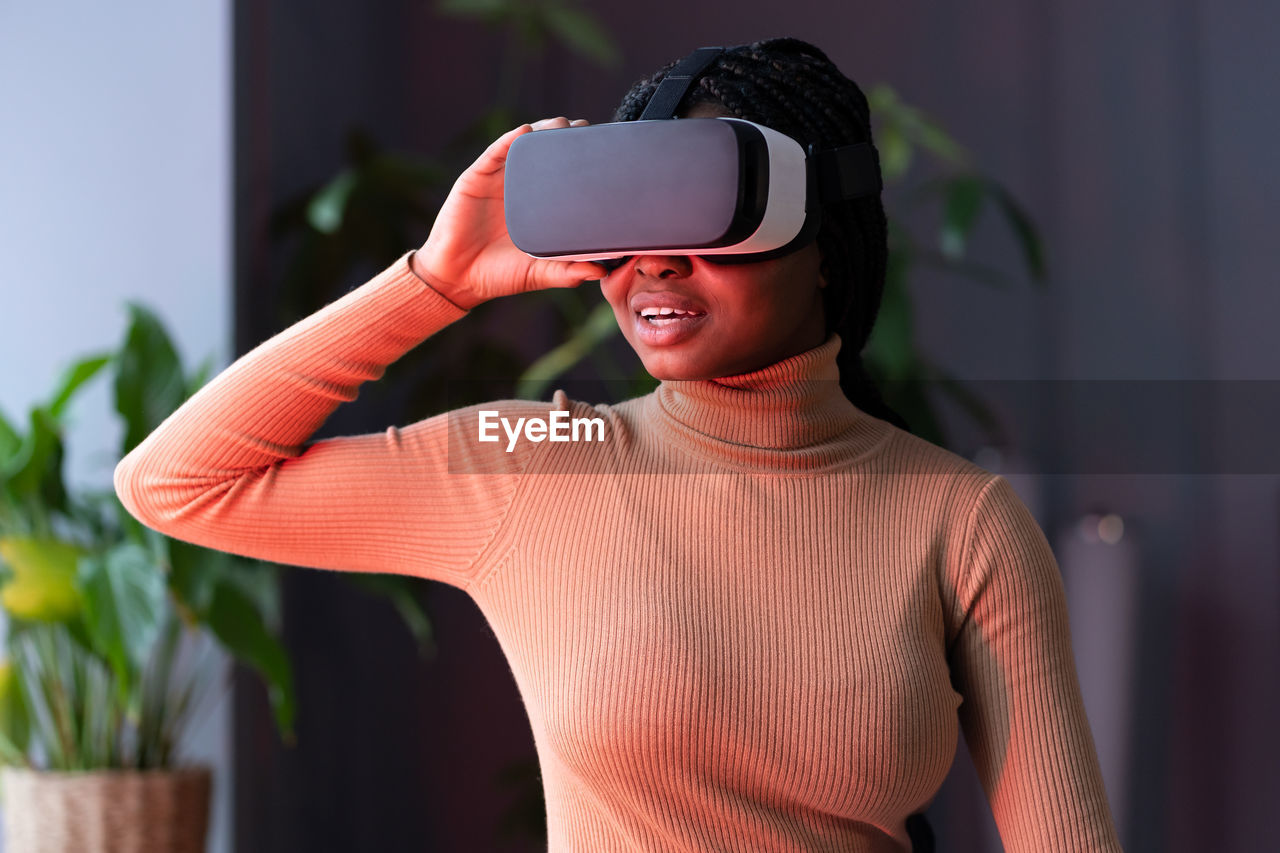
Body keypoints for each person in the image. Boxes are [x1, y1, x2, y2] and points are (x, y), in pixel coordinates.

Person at [114, 38, 1123, 852]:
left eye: (709, 211)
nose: (656, 260)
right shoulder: (535, 457)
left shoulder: (959, 520)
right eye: (624, 217)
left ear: (825, 241)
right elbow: (175, 483)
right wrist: (435, 280)